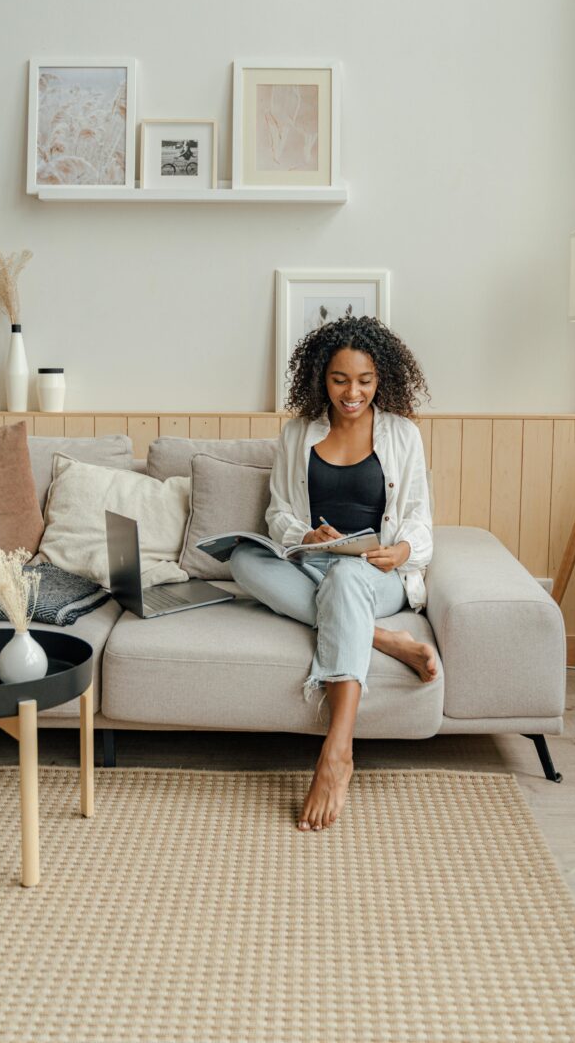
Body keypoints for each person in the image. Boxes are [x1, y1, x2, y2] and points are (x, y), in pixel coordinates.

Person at [230, 315, 438, 834]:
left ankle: (338, 751)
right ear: (321, 377)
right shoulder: (298, 433)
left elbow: (420, 519)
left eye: (365, 381)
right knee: (241, 559)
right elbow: (278, 515)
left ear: (381, 378)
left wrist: (403, 549)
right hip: (313, 562)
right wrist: (306, 536)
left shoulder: (402, 434)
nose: (353, 393)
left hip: (375, 572)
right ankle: (382, 639)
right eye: (340, 379)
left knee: (345, 583)